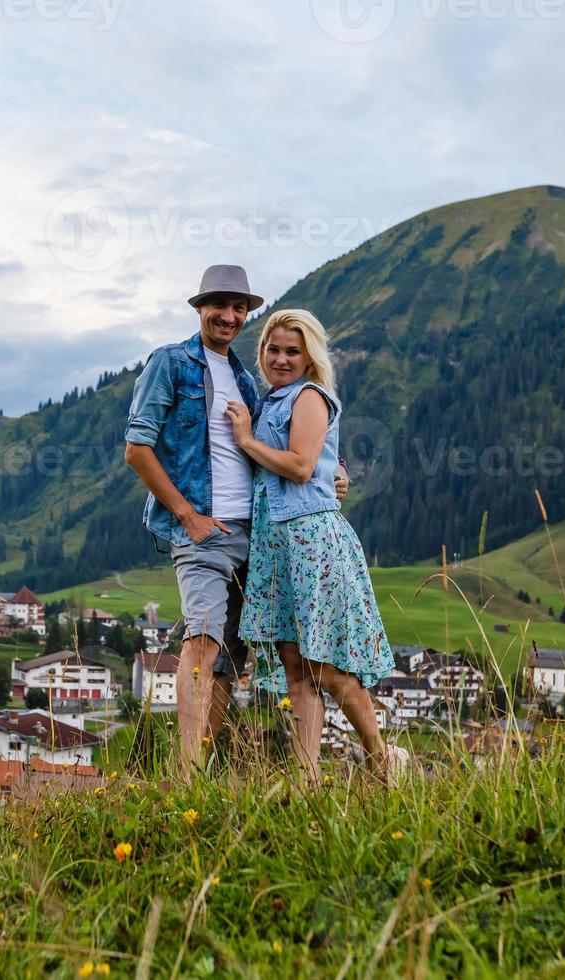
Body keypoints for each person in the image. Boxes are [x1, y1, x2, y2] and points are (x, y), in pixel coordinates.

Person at [124, 266, 347, 777]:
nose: (229, 316)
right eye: (219, 305)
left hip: (259, 535)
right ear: (199, 307)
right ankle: (186, 774)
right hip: (204, 531)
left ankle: (201, 771)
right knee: (202, 636)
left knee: (231, 657)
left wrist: (334, 474)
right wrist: (188, 516)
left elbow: (288, 446)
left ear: (247, 314)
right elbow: (137, 449)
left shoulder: (248, 381)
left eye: (239, 308)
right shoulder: (170, 363)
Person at [225, 309, 405, 784]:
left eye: (292, 350)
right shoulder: (273, 399)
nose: (281, 359)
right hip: (277, 546)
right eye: (273, 348)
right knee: (295, 669)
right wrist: (337, 468)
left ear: (309, 357)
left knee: (324, 665)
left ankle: (382, 758)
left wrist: (244, 439)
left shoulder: (308, 395)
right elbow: (323, 459)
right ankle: (306, 782)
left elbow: (302, 466)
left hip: (310, 543)